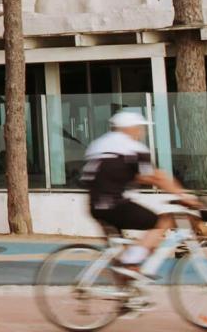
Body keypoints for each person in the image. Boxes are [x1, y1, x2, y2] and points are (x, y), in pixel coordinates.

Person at [80, 109, 200, 280]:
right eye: (140, 128)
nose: (141, 132)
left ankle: (126, 299)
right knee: (161, 222)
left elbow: (126, 174)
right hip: (115, 205)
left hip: (95, 207)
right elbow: (155, 177)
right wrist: (184, 195)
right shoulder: (133, 147)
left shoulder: (97, 145)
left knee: (120, 257)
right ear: (130, 128)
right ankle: (131, 265)